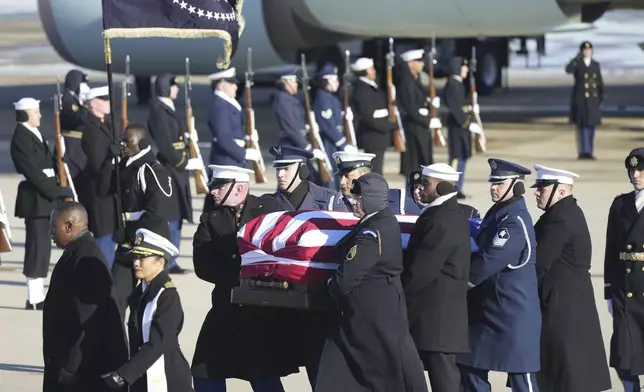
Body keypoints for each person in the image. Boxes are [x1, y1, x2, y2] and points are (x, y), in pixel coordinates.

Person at [315, 173, 428, 392]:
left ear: (373, 199)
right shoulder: (381, 221)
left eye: (360, 199)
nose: (354, 203)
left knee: (377, 376)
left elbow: (347, 276)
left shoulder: (371, 233)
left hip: (370, 317)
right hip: (378, 311)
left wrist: (330, 284)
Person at [191, 165, 294, 392]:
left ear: (238, 187)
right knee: (204, 370)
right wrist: (240, 276)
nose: (212, 192)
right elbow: (203, 264)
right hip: (225, 305)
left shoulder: (269, 209)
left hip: (261, 309)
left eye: (219, 186)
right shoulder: (211, 218)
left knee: (263, 374)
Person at [457, 158, 541, 392]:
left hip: (512, 315)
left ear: (517, 187)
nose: (493, 187)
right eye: (492, 182)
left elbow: (489, 261)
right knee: (470, 366)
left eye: (500, 183)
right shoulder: (499, 214)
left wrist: (457, 284)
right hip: (488, 311)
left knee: (521, 379)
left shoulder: (513, 222)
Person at [531, 164, 611, 392]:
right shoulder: (560, 213)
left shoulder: (560, 219)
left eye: (543, 188)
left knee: (566, 376)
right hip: (567, 302)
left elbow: (537, 263)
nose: (537, 192)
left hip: (563, 307)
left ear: (562, 191)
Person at [43, 202, 127, 392]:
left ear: (69, 226)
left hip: (83, 372)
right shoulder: (77, 251)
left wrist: (69, 369)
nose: (50, 233)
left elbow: (89, 321)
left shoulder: (87, 260)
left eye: (53, 227)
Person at [403, 164, 472, 392]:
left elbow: (420, 271)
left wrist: (397, 294)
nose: (420, 188)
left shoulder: (442, 220)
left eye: (426, 183)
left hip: (438, 321)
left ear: (442, 186)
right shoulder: (443, 213)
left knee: (444, 380)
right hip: (435, 318)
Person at [101, 228, 194, 392]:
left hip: (167, 380)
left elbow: (159, 343)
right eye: (136, 257)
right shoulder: (140, 292)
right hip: (141, 378)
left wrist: (124, 374)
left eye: (143, 257)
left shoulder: (168, 297)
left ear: (160, 262)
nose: (136, 262)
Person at [10, 97, 73, 309]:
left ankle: (38, 295)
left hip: (44, 197)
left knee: (44, 247)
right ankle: (34, 297)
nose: (40, 115)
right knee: (37, 247)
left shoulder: (33, 133)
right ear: (26, 113)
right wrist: (57, 191)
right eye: (36, 112)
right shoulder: (21, 138)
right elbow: (33, 172)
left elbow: (47, 164)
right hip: (36, 197)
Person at [110, 124, 180, 316]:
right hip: (126, 245)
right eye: (122, 140)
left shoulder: (152, 169)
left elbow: (158, 212)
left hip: (148, 247)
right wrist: (110, 160)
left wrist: (131, 232)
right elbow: (102, 191)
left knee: (145, 307)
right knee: (115, 300)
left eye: (128, 140)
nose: (124, 144)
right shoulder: (125, 166)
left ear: (143, 143)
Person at [147, 73, 200, 274]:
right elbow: (165, 145)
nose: (176, 89)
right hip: (171, 169)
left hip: (177, 169)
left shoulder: (166, 108)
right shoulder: (159, 112)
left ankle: (172, 258)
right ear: (164, 88)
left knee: (177, 215)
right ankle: (167, 259)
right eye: (174, 86)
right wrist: (183, 161)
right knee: (171, 216)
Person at [604, 147, 644, 392]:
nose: (635, 175)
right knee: (624, 355)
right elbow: (610, 251)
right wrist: (609, 290)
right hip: (624, 291)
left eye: (640, 169)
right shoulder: (620, 205)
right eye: (632, 169)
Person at [78, 86, 119, 266]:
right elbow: (97, 164)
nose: (108, 103)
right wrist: (111, 156)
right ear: (93, 103)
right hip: (100, 192)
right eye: (103, 100)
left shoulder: (106, 124)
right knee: (104, 239)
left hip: (111, 190)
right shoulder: (92, 130)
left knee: (112, 238)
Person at [442, 57, 483, 199]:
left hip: (462, 127)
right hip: (458, 127)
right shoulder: (453, 85)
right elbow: (456, 109)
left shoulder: (458, 84)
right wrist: (467, 122)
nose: (465, 70)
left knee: (462, 156)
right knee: (456, 158)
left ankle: (458, 187)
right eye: (463, 68)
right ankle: (452, 188)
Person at [207, 67, 262, 168]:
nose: (236, 87)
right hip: (226, 162)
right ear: (220, 85)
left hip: (232, 160)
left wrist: (246, 137)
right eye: (231, 83)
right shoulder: (220, 107)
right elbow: (223, 138)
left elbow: (235, 130)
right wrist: (243, 153)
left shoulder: (227, 104)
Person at [349, 57, 396, 175]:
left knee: (378, 168)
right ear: (364, 71)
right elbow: (368, 116)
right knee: (375, 171)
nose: (374, 71)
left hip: (378, 136)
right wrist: (389, 125)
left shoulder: (370, 86)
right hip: (372, 137)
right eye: (371, 69)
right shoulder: (362, 90)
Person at [313, 63, 358, 184]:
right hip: (330, 142)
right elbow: (327, 125)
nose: (337, 82)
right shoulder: (323, 98)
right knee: (332, 177)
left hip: (336, 141)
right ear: (325, 81)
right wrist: (343, 144)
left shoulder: (331, 97)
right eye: (334, 80)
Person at [396, 49, 438, 177]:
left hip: (420, 128)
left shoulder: (415, 80)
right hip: (413, 129)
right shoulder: (407, 82)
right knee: (414, 166)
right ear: (410, 63)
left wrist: (431, 104)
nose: (422, 64)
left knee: (423, 165)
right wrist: (428, 120)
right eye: (418, 61)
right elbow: (411, 109)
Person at [270, 145, 348, 211]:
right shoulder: (267, 204)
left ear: (302, 170)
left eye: (286, 169)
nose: (280, 174)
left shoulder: (330, 200)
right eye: (278, 169)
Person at [271, 71, 326, 160]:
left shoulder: (289, 98)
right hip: (291, 148)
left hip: (297, 147)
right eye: (293, 80)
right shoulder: (283, 100)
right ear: (285, 82)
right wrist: (307, 147)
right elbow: (290, 127)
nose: (296, 84)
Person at [565, 41, 604, 160]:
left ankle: (589, 151)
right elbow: (568, 70)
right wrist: (575, 59)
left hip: (592, 99)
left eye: (589, 50)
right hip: (580, 98)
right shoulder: (578, 64)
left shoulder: (595, 64)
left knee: (591, 126)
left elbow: (599, 82)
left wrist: (600, 98)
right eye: (585, 50)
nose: (587, 52)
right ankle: (582, 151)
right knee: (581, 127)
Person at [60, 69, 90, 180]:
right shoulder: (68, 100)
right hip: (71, 144)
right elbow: (80, 118)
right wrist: (86, 105)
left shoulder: (75, 99)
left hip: (78, 144)